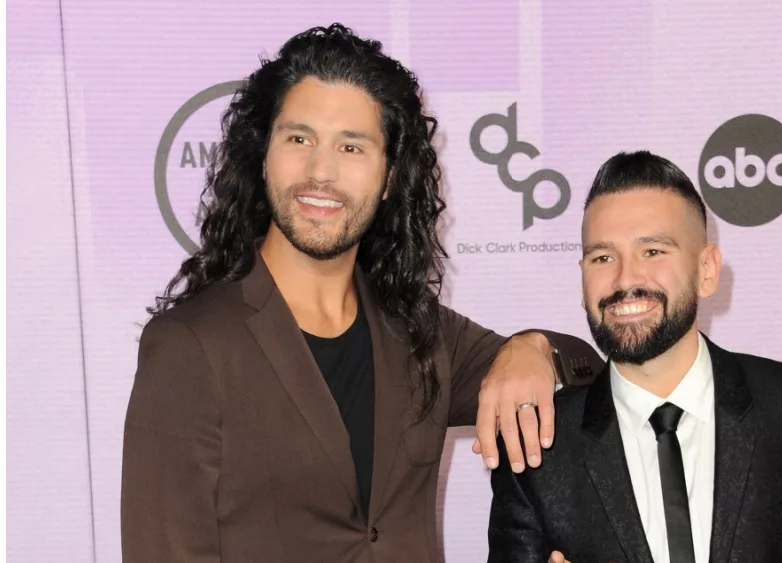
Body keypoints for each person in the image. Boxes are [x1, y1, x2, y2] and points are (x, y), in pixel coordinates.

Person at [121, 24, 601, 563]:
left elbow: (589, 374)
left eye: (352, 146)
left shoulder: (420, 332)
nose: (320, 172)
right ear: (262, 156)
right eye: (299, 139)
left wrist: (532, 347)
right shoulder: (190, 346)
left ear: (390, 176)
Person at [487, 151, 782, 563]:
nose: (625, 278)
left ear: (707, 270)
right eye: (602, 258)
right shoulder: (537, 449)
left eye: (653, 251)